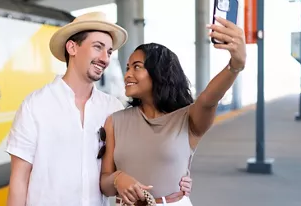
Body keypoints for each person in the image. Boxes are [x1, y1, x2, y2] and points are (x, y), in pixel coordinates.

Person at [5, 11, 193, 206]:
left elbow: (142, 158)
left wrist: (177, 179)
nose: (105, 58)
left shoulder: (113, 108)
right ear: (72, 47)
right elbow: (19, 180)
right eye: (98, 47)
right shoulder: (35, 106)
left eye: (109, 52)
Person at [98, 16, 246, 206]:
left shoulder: (187, 119)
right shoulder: (115, 121)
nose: (128, 74)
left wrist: (235, 65)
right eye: (127, 68)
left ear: (159, 73)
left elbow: (209, 99)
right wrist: (118, 178)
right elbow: (105, 184)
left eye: (137, 67)